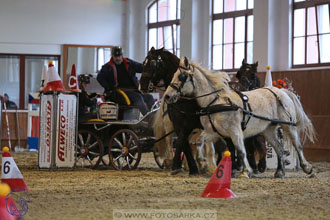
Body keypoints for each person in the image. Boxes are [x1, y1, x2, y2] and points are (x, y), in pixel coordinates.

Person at [97, 46, 154, 115]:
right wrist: (108, 87)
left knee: (149, 97)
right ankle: (148, 118)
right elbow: (99, 78)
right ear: (112, 56)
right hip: (119, 92)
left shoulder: (129, 63)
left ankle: (154, 116)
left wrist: (150, 64)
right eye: (116, 56)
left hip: (135, 90)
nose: (118, 58)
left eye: (119, 56)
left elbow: (141, 68)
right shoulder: (107, 67)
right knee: (138, 98)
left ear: (122, 55)